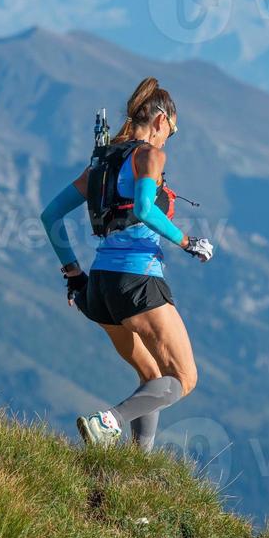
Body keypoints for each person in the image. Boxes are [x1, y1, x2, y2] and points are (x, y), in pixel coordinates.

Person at [39, 78, 215, 449]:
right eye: (173, 130)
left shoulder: (102, 162)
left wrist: (73, 273)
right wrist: (188, 242)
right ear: (161, 120)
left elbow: (50, 215)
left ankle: (137, 464)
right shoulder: (149, 156)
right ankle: (109, 422)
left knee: (152, 376)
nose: (169, 139)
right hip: (138, 282)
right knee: (184, 378)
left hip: (99, 288)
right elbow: (144, 208)